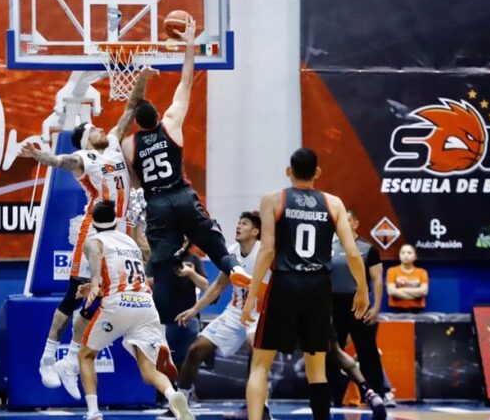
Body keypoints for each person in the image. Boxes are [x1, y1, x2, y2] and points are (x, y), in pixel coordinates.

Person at [18, 68, 153, 400]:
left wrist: (143, 76)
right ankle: (48, 356)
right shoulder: (84, 158)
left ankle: (70, 359)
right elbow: (58, 161)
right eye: (93, 129)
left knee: (103, 296)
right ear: (84, 139)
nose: (100, 128)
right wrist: (38, 155)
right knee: (75, 293)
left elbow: (131, 107)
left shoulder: (113, 145)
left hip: (119, 232)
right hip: (94, 231)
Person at [121, 14, 248, 319]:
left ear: (137, 122)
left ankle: (159, 318)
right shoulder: (171, 123)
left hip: (157, 203)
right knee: (210, 239)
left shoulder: (129, 144)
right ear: (158, 115)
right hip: (181, 194)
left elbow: (135, 183)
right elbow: (186, 82)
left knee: (162, 260)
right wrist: (189, 46)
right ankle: (234, 268)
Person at [240, 148, 370, 420]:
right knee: (317, 368)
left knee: (261, 364)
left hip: (284, 283)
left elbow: (267, 250)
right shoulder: (333, 203)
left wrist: (252, 294)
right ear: (317, 172)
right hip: (318, 287)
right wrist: (363, 289)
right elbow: (352, 252)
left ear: (289, 171)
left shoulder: (273, 199)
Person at [77, 200, 193, 420]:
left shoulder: (95, 240)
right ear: (115, 220)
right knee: (148, 371)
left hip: (118, 304)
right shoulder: (130, 243)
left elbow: (94, 254)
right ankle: (173, 396)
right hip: (146, 305)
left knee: (85, 355)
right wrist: (96, 287)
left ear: (93, 222)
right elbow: (125, 278)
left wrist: (94, 282)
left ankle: (93, 412)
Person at [175, 211, 272, 419]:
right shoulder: (231, 252)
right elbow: (219, 285)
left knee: (255, 347)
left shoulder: (265, 251)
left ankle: (258, 408)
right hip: (235, 312)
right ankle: (180, 402)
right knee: (196, 350)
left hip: (260, 313)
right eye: (238, 222)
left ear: (255, 231)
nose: (238, 226)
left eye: (244, 223)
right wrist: (194, 309)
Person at [329, 209, 387, 416]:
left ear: (355, 223)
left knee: (367, 351)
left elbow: (377, 279)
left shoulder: (368, 249)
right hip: (334, 305)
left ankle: (377, 394)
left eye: (347, 220)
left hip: (358, 303)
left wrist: (376, 307)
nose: (343, 224)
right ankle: (334, 396)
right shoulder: (330, 248)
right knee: (333, 352)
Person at [147, 237, 208, 372]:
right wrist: (165, 275)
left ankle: (185, 385)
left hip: (188, 318)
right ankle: (165, 386)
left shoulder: (193, 259)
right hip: (163, 319)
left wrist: (191, 273)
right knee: (163, 362)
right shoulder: (157, 257)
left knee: (188, 360)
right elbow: (146, 280)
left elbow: (204, 284)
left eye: (185, 239)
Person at [386, 244, 428, 312]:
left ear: (415, 256)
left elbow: (424, 291)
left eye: (409, 253)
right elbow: (391, 291)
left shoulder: (422, 272)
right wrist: (415, 293)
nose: (406, 255)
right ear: (399, 255)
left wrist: (400, 290)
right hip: (396, 310)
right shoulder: (392, 271)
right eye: (403, 252)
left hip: (417, 310)